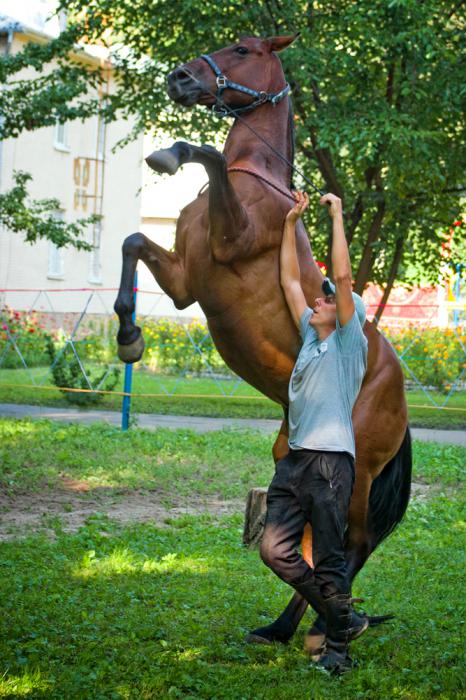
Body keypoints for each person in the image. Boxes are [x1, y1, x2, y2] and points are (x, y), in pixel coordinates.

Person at [258, 191, 368, 675]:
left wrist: (336, 216)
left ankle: (338, 654)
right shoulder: (310, 333)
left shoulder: (349, 342)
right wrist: (289, 224)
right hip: (296, 462)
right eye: (320, 298)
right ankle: (341, 618)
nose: (320, 298)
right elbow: (288, 280)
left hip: (329, 463)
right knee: (274, 549)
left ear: (347, 314)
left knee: (327, 557)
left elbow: (342, 278)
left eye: (330, 299)